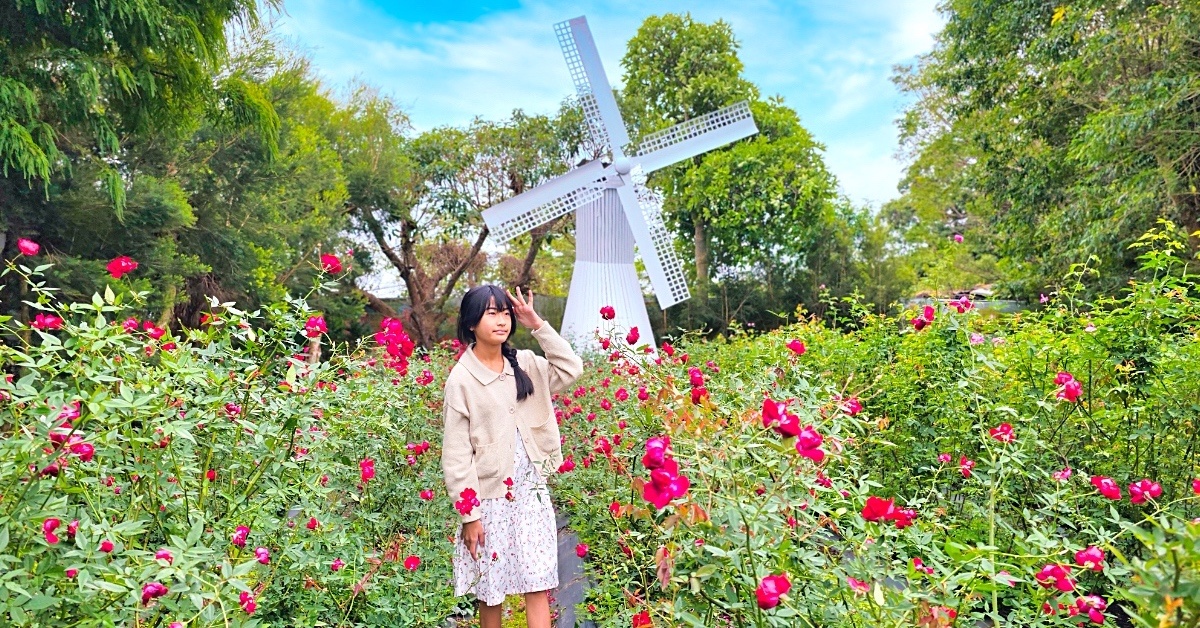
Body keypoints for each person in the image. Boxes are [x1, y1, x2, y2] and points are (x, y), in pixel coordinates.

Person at [441, 285, 584, 628]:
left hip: (531, 492)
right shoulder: (461, 380)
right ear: (471, 322)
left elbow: (571, 368)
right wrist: (469, 515)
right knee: (492, 589)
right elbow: (457, 456)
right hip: (488, 500)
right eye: (491, 313)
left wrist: (537, 324)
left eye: (505, 313)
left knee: (539, 580)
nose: (501, 320)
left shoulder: (527, 364)